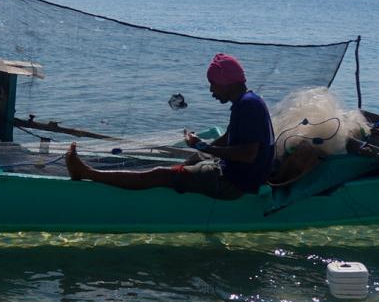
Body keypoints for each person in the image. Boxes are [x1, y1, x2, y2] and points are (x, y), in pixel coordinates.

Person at [65, 53, 275, 200]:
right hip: (237, 173)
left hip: (235, 183)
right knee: (193, 160)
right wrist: (200, 148)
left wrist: (204, 148)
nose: (211, 90)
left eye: (213, 83)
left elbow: (248, 154)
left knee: (160, 174)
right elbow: (230, 137)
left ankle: (87, 173)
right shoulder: (246, 101)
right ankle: (177, 180)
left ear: (227, 82)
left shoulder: (248, 105)